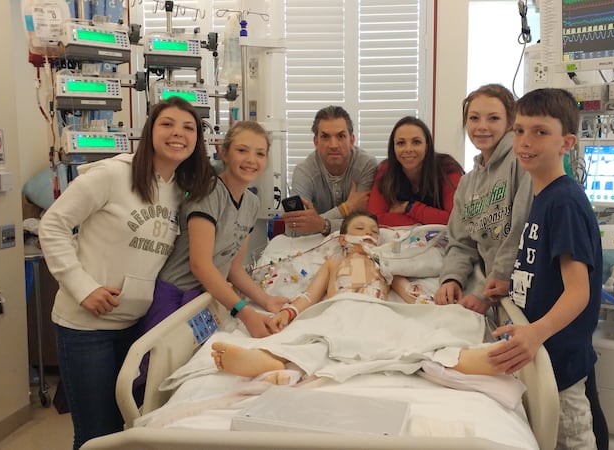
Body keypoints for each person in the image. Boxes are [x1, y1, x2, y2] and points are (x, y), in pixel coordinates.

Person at [38, 97, 216, 449]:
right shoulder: (112, 175)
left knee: (130, 430)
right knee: (97, 434)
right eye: (167, 124)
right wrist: (82, 286)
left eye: (188, 127)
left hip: (136, 327)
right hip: (87, 328)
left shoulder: (182, 191)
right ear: (151, 130)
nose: (177, 133)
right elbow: (53, 224)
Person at [210, 211, 501, 380]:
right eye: (360, 228)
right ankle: (274, 362)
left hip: (377, 309)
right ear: (342, 238)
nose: (369, 234)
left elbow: (410, 296)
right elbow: (310, 297)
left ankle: (461, 361)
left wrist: (437, 309)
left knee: (414, 341)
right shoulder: (333, 263)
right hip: (339, 307)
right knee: (317, 339)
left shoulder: (386, 264)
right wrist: (287, 314)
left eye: (374, 231)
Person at [488, 88, 604, 449]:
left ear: (566, 142)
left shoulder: (564, 202)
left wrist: (535, 332)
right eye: (519, 130)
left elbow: (578, 292)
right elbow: (548, 269)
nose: (525, 141)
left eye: (540, 132)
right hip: (543, 355)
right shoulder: (543, 197)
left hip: (562, 364)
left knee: (571, 439)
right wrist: (517, 288)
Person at [140, 121, 289, 341]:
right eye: (242, 150)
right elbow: (200, 265)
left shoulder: (251, 203)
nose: (251, 160)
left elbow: (233, 267)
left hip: (206, 297)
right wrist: (244, 312)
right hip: (175, 297)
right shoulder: (209, 193)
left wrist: (266, 300)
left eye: (260, 153)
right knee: (156, 369)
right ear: (224, 153)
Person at [435, 84, 533, 315]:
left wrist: (485, 293)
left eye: (493, 118)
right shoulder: (467, 183)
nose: (482, 127)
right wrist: (452, 280)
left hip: (517, 286)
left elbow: (520, 233)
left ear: (510, 123)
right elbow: (461, 243)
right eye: (474, 118)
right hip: (492, 289)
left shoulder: (522, 164)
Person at [284, 105, 378, 236]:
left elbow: (368, 226)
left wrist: (319, 224)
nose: (333, 145)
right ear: (316, 142)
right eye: (325, 137)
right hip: (312, 249)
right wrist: (346, 208)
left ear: (351, 140)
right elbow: (294, 231)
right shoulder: (304, 171)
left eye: (341, 136)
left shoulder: (367, 166)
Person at [367, 116, 464, 226]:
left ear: (427, 146)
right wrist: (430, 219)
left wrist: (409, 207)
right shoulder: (386, 169)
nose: (408, 149)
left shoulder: (447, 167)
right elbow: (374, 219)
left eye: (416, 142)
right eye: (401, 143)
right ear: (393, 148)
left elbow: (456, 220)